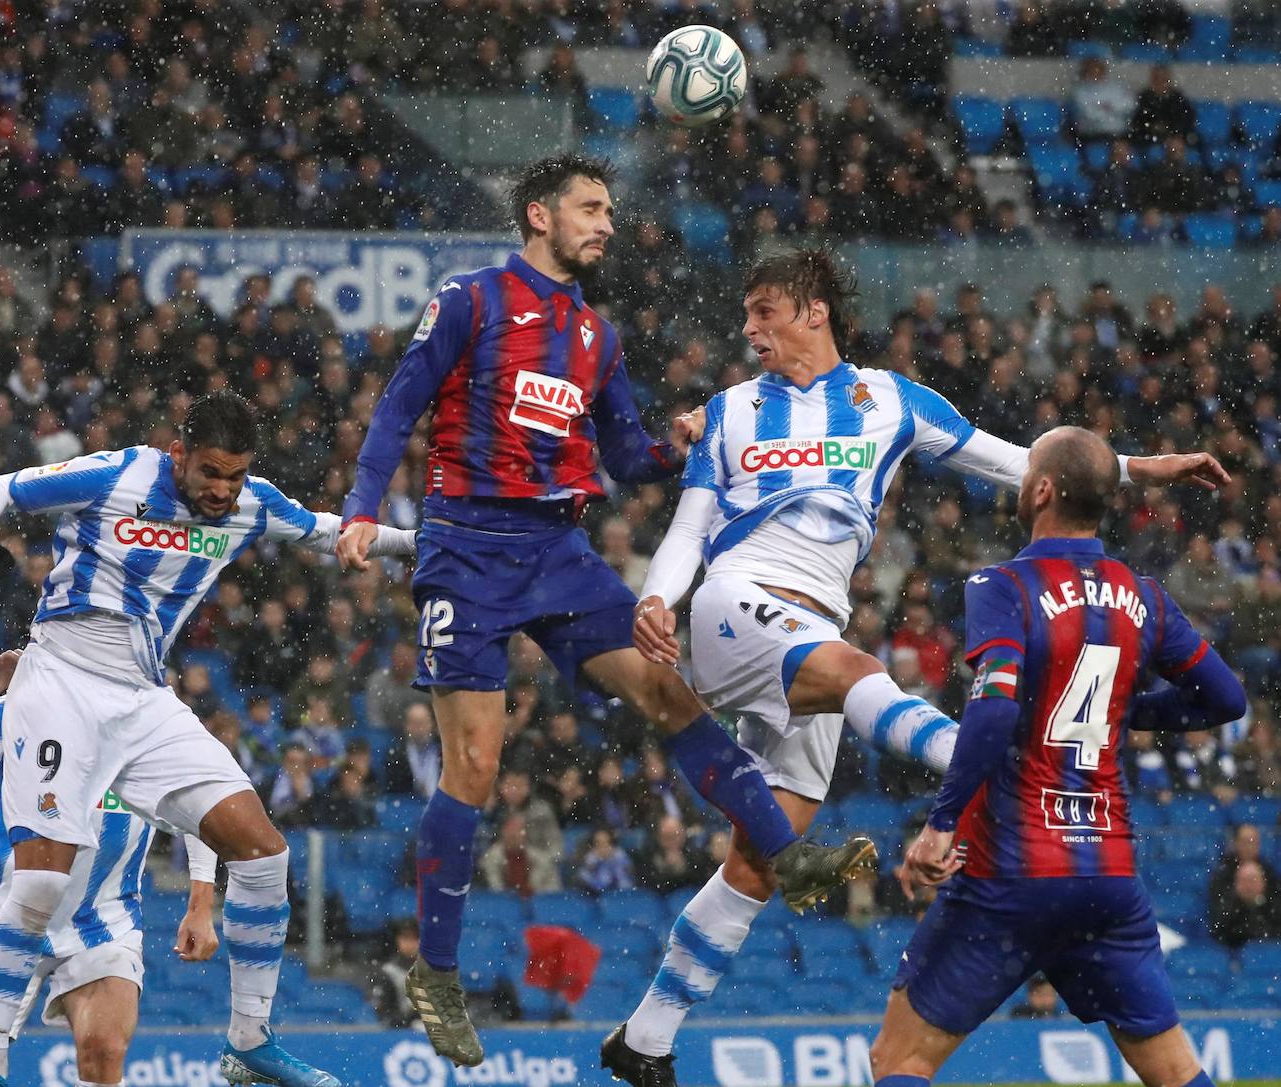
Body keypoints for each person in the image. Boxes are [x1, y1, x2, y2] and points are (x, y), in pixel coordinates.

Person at [606, 247, 1231, 1087]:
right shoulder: (728, 410)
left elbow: (1025, 462)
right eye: (748, 314)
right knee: (863, 668)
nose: (749, 328)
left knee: (761, 854)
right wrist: (659, 595)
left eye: (763, 310)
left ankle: (643, 1039)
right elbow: (689, 524)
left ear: (813, 308)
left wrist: (1140, 465)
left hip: (809, 631)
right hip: (737, 605)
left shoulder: (891, 400)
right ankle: (992, 756)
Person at [334, 155, 870, 1067]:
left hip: (558, 550)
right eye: (591, 207)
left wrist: (682, 442)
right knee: (472, 765)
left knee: (668, 690)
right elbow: (397, 409)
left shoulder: (597, 336)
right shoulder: (470, 300)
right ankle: (436, 969)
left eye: (612, 209)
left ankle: (786, 852)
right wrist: (360, 507)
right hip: (465, 546)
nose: (608, 223)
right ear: (538, 214)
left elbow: (628, 458)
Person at [0, 391, 415, 1087]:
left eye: (234, 475)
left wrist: (425, 541)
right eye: (210, 474)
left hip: (143, 697)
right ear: (179, 455)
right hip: (62, 677)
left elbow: (334, 530)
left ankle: (248, 1041)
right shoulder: (119, 476)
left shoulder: (252, 502)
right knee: (42, 875)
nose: (222, 490)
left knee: (263, 850)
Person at [868, 426, 1247, 1087]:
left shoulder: (1004, 585)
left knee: (900, 1061)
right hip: (1106, 875)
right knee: (1176, 1072)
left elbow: (992, 709)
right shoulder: (1145, 595)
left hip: (1011, 872)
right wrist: (1130, 711)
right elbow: (1223, 697)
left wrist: (941, 822)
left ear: (1042, 489)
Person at [0, 698, 219, 1087]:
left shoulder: (156, 716)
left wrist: (201, 902)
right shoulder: (16, 708)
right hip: (12, 915)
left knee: (104, 1053)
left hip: (106, 918)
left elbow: (202, 803)